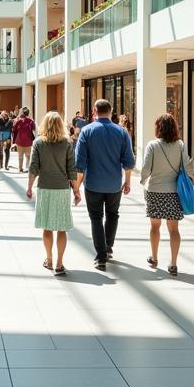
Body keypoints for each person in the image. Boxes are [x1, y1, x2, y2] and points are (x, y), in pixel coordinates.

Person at [73, 98, 135, 271]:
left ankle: (100, 256)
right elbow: (128, 161)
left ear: (94, 110)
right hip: (114, 184)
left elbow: (80, 164)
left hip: (93, 183)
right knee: (113, 214)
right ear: (111, 110)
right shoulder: (121, 132)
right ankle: (108, 247)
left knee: (96, 218)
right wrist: (127, 181)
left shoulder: (86, 131)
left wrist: (76, 187)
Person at [139, 113, 194, 277]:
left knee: (155, 227)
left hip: (155, 190)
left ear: (158, 128)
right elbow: (187, 166)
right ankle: (173, 263)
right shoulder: (180, 145)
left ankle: (154, 257)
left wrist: (143, 181)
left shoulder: (152, 145)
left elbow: (146, 168)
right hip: (173, 192)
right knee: (174, 229)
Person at [26, 111, 80, 276]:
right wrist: (76, 191)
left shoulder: (38, 143)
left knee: (47, 227)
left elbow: (33, 167)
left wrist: (29, 187)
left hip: (45, 188)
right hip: (62, 189)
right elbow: (72, 169)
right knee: (61, 228)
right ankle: (59, 263)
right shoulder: (67, 143)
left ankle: (49, 259)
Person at [12, 107, 36, 172]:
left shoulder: (18, 120)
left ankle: (20, 168)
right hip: (28, 140)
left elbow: (14, 129)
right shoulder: (31, 121)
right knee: (28, 156)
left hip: (19, 140)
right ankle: (27, 167)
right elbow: (34, 129)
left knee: (20, 155)